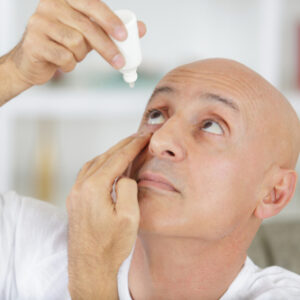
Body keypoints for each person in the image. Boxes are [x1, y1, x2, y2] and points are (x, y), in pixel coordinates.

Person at [0, 1, 300, 300]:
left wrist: (93, 272)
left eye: (212, 125)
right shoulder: (30, 246)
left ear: (273, 193)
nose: (159, 141)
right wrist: (13, 71)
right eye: (156, 115)